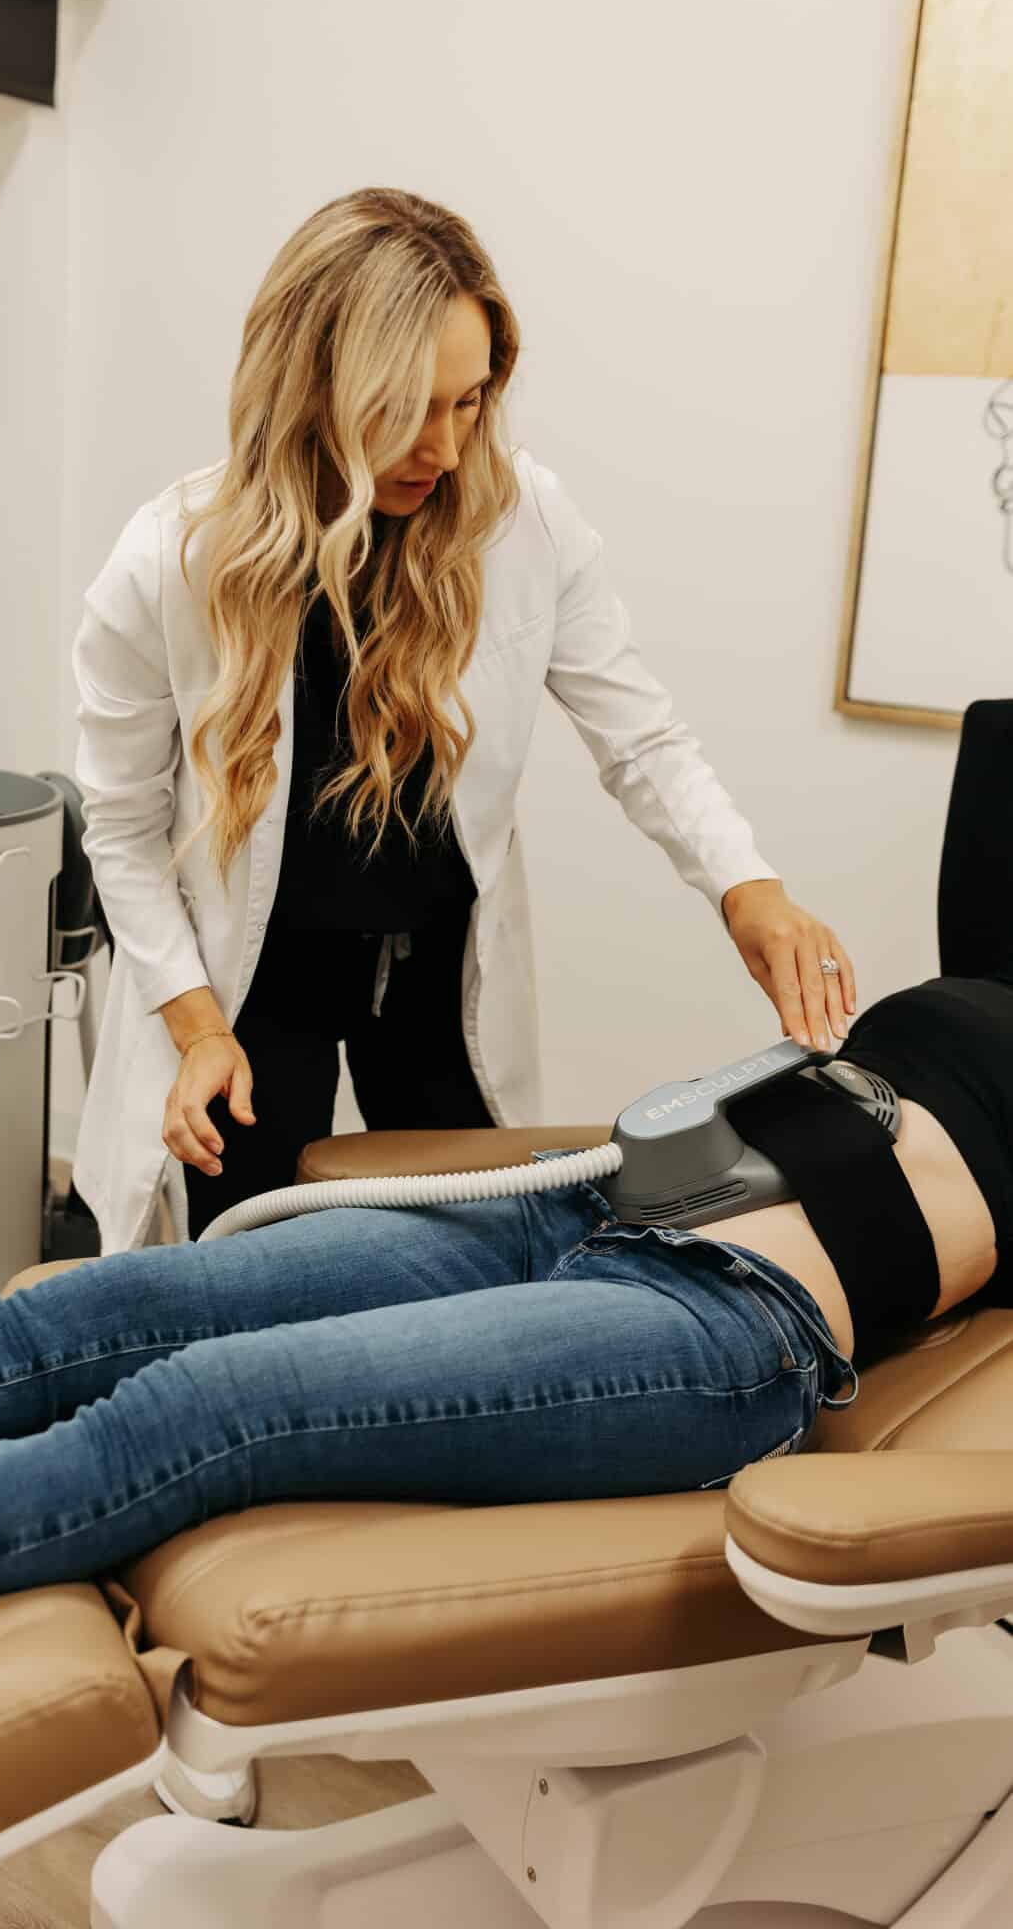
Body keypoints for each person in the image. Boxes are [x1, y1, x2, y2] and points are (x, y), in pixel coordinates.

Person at [0, 959, 1006, 1634]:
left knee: (193, 1412)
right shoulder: (969, 980)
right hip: (569, 1200)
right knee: (81, 1313)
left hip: (717, 1319)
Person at [69, 188, 855, 1249]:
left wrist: (748, 890)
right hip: (250, 986)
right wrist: (195, 1022)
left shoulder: (523, 520)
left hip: (433, 967)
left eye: (470, 401)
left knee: (470, 1257)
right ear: (312, 385)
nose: (442, 447)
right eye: (406, 408)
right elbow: (116, 828)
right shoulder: (170, 561)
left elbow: (643, 742)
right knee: (240, 1268)